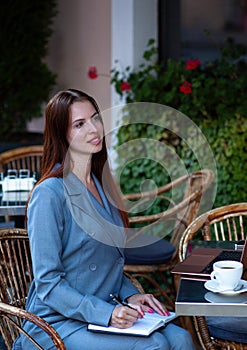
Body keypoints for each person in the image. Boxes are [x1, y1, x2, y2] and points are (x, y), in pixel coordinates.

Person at [14, 89, 195, 350]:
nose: (94, 128)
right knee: (152, 345)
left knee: (181, 339)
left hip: (101, 310)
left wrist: (131, 296)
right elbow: (48, 285)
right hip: (56, 323)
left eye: (95, 118)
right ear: (61, 134)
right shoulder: (49, 195)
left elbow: (104, 264)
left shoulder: (100, 184)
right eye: (79, 124)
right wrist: (106, 314)